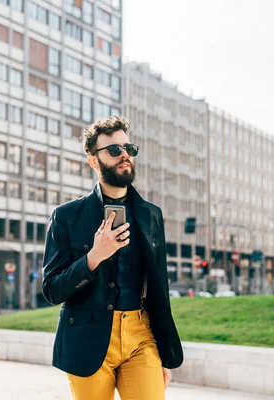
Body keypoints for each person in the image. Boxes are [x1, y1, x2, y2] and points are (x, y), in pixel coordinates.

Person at [42, 116, 183, 400]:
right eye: (114, 150)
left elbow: (159, 289)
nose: (124, 156)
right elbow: (52, 289)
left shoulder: (151, 215)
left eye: (128, 148)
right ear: (93, 161)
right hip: (87, 337)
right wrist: (93, 257)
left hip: (141, 336)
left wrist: (164, 356)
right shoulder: (67, 216)